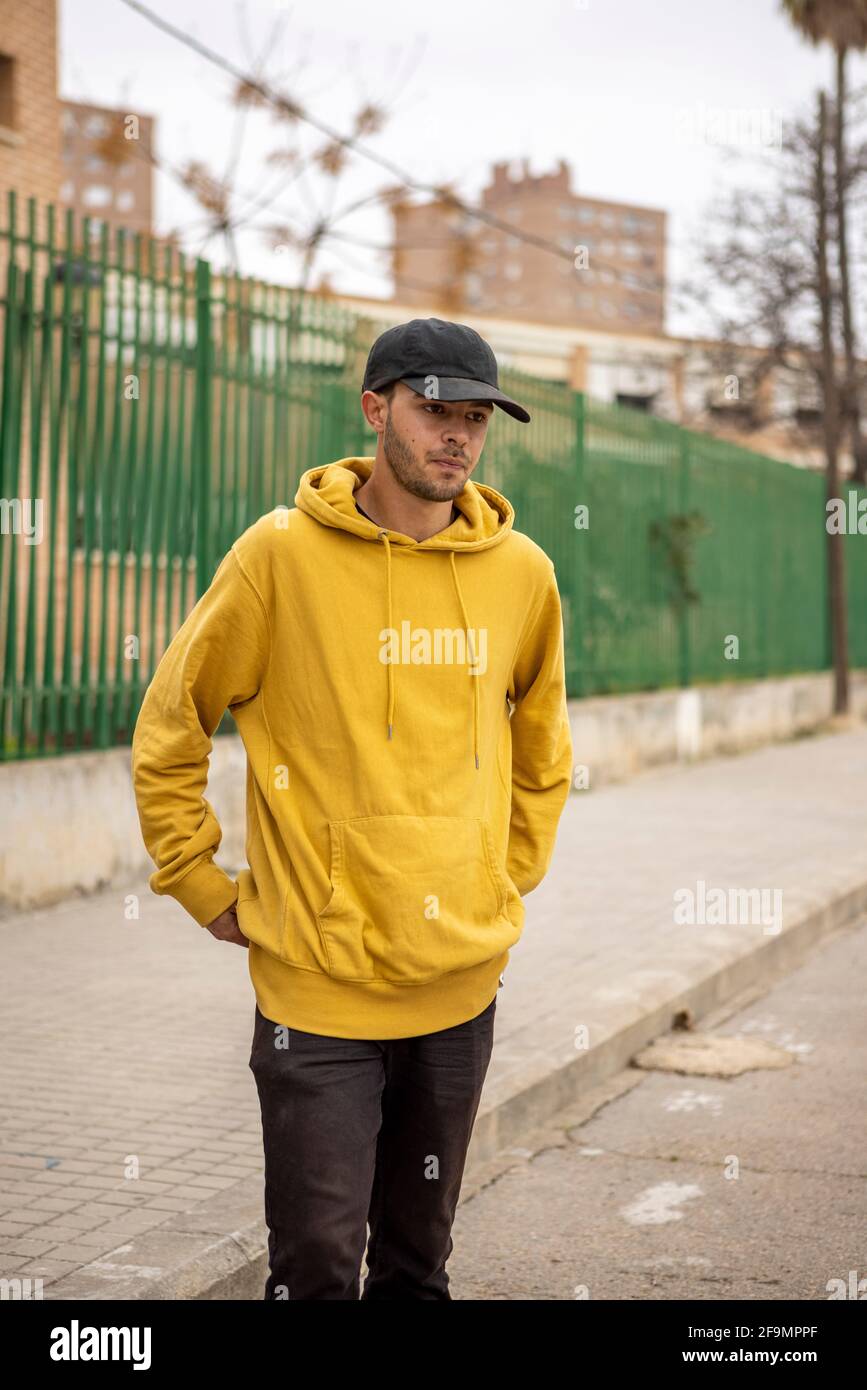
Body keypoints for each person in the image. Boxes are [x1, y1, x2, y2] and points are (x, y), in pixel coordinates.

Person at [130, 316, 574, 1300]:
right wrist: (199, 881)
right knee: (318, 1264)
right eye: (434, 411)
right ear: (376, 409)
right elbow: (172, 729)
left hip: (459, 985)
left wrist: (505, 873)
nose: (457, 435)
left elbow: (544, 748)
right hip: (315, 994)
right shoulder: (278, 558)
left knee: (419, 1267)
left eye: (475, 417)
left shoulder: (523, 576)